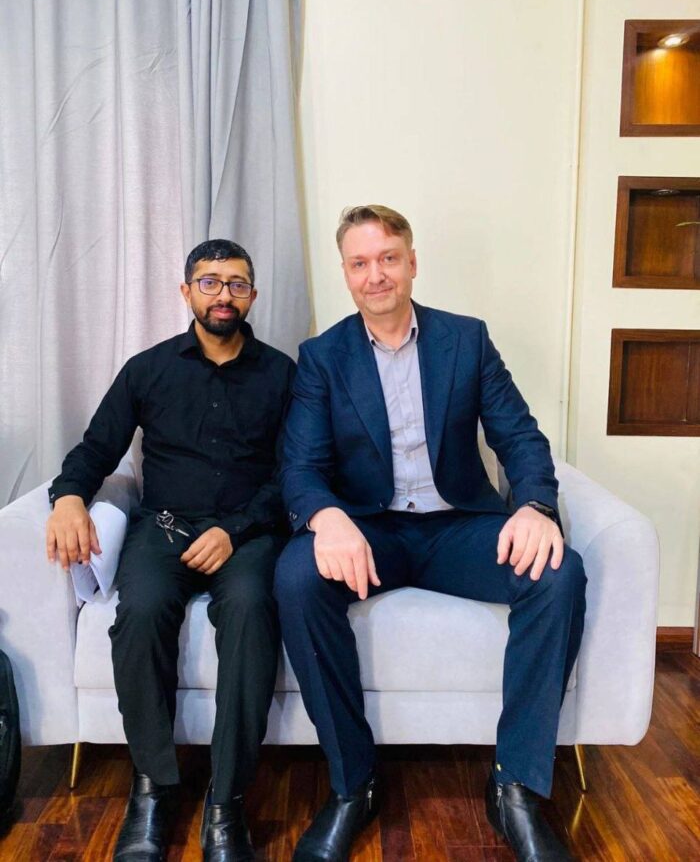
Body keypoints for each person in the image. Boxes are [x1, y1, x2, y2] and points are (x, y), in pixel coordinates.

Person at [274, 206, 586, 862]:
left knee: (559, 572)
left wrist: (535, 505)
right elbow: (299, 465)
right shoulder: (322, 357)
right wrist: (327, 517)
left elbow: (520, 436)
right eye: (360, 263)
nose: (376, 274)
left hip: (457, 527)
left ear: (412, 262)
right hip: (372, 533)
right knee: (297, 577)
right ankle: (353, 784)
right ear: (346, 274)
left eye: (388, 258)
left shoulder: (465, 340)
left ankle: (516, 787)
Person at [46, 240, 295, 862]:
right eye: (209, 282)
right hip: (163, 527)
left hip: (246, 534)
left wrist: (235, 529)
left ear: (252, 296)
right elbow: (96, 449)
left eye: (237, 284)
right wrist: (68, 497)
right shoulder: (148, 369)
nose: (223, 295)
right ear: (186, 292)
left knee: (251, 611)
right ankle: (153, 789)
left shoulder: (282, 374)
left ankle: (227, 799)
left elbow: (293, 473)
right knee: (140, 612)